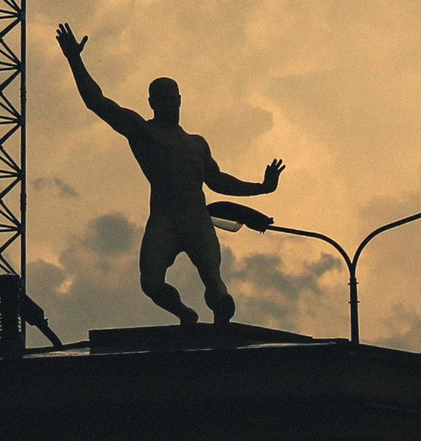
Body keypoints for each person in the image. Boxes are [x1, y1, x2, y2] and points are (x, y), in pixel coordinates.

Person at [56, 23, 283, 325]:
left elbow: (217, 181)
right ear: (152, 103)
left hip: (196, 218)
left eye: (172, 97)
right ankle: (185, 314)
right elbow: (98, 103)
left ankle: (221, 320)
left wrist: (263, 186)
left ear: (180, 99)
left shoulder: (196, 143)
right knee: (150, 282)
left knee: (213, 280)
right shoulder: (142, 131)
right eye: (161, 98)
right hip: (164, 218)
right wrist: (75, 60)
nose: (168, 103)